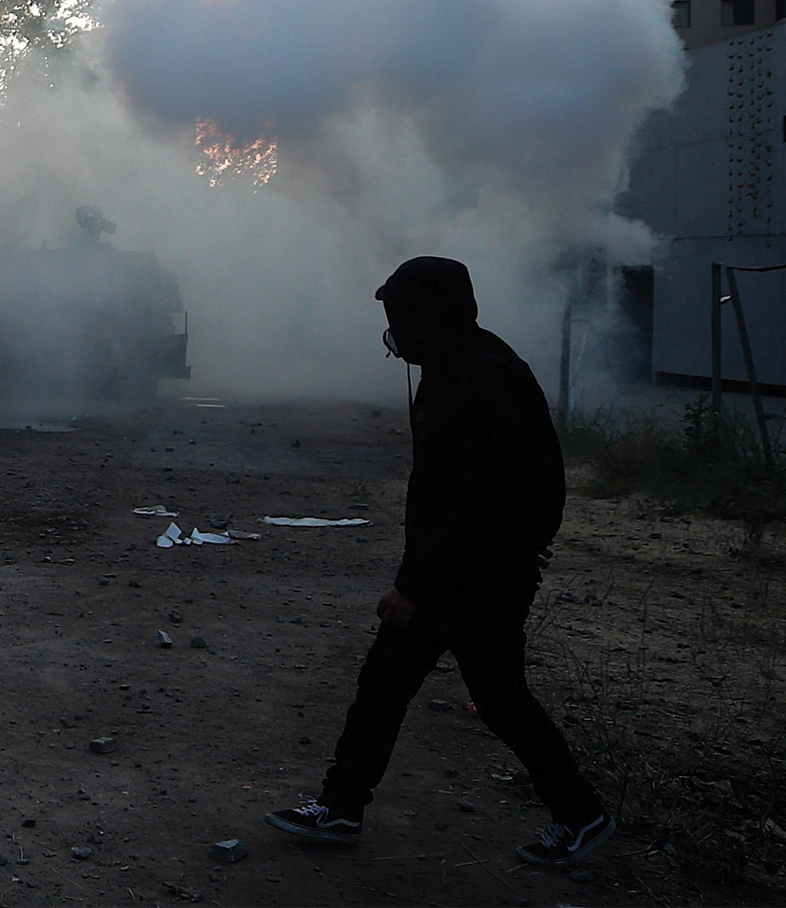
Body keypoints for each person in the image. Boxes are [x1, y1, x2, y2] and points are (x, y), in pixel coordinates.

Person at [263, 256, 615, 868]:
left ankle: (582, 814)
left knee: (500, 699)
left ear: (426, 313)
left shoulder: (476, 378)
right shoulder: (460, 364)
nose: (393, 331)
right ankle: (341, 807)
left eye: (398, 314)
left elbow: (464, 501)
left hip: (478, 576)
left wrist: (413, 585)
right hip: (458, 571)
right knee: (384, 683)